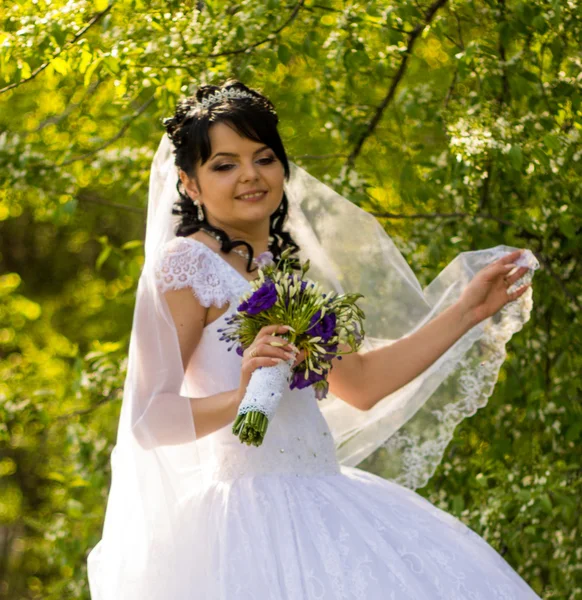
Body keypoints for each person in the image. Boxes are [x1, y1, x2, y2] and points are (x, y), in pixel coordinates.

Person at [87, 79, 541, 599]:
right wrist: (240, 398)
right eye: (225, 164)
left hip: (327, 502)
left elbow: (364, 383)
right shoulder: (187, 267)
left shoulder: (285, 279)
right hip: (247, 524)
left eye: (264, 158)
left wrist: (469, 311)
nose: (251, 175)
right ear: (189, 184)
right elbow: (148, 421)